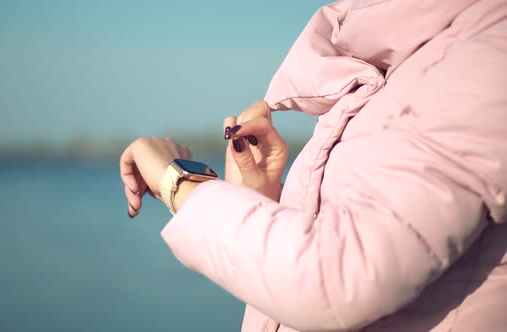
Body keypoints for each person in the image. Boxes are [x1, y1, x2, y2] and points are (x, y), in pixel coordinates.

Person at [120, 0, 507, 330]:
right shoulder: (407, 58)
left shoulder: (489, 51)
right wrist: (263, 200)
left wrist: (180, 183)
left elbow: (343, 276)